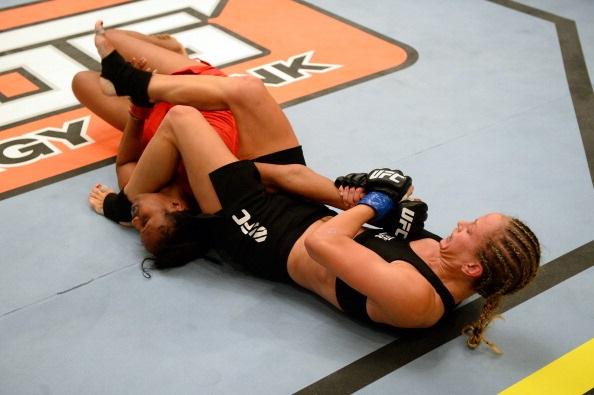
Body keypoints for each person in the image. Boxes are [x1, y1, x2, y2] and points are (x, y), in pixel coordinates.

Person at [94, 28, 541, 354]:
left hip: (263, 235)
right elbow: (371, 213)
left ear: (473, 267)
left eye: (471, 229)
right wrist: (364, 192)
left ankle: (123, 203)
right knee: (249, 91)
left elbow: (323, 241)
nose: (461, 223)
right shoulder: (443, 252)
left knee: (184, 120)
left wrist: (376, 204)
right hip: (302, 208)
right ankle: (136, 85)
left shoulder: (418, 300)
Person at [72, 21, 239, 224]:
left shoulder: (136, 199)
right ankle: (174, 50)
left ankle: (139, 84)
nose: (136, 221)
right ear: (176, 206)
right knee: (112, 38)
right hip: (200, 95)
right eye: (146, 221)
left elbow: (126, 162)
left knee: (81, 82)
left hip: (150, 118)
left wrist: (139, 103)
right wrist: (144, 82)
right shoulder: (207, 184)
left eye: (139, 227)